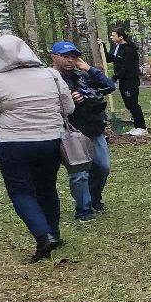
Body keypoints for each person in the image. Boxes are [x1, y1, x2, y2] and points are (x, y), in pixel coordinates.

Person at [0, 34, 75, 262]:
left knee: (21, 191)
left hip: (14, 144)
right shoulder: (51, 75)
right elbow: (68, 108)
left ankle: (44, 235)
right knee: (47, 188)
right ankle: (54, 232)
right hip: (50, 141)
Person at [50, 40, 118, 222]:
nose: (70, 61)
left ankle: (95, 198)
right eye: (65, 57)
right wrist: (68, 102)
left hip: (94, 128)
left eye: (73, 57)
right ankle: (83, 209)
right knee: (79, 173)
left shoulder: (83, 76)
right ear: (54, 57)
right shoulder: (49, 79)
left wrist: (88, 68)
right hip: (70, 132)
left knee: (102, 167)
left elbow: (110, 86)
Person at [107, 27, 147, 135]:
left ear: (121, 37)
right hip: (123, 80)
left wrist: (115, 77)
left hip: (130, 79)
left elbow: (126, 67)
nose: (111, 37)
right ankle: (136, 125)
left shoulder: (129, 49)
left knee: (133, 103)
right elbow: (110, 58)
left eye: (113, 35)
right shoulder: (117, 47)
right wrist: (101, 47)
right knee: (128, 103)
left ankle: (141, 127)